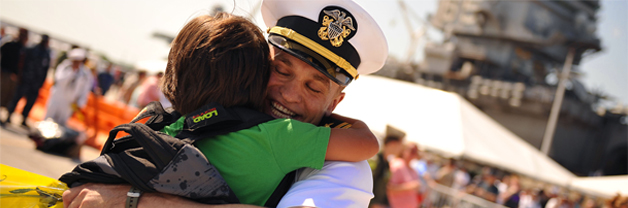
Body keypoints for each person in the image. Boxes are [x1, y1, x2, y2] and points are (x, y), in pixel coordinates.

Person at [62, 0, 388, 207]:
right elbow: (366, 142)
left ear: (336, 102)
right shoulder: (278, 136)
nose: (289, 95)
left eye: (314, 88)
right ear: (257, 66)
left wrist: (137, 201)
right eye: (280, 70)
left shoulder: (346, 173)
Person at [3, 34, 51, 127]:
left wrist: (41, 83)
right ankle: (9, 115)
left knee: (30, 102)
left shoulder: (46, 54)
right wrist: (20, 75)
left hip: (35, 83)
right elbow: (21, 63)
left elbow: (46, 70)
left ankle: (24, 118)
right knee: (16, 98)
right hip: (25, 79)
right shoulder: (31, 49)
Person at [45, 48, 93, 126]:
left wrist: (80, 103)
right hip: (57, 97)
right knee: (49, 117)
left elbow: (85, 90)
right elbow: (59, 80)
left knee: (61, 122)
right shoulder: (65, 67)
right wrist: (71, 73)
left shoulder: (85, 74)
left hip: (69, 101)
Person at [0, 28, 28, 110]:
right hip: (5, 73)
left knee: (8, 97)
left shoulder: (23, 49)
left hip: (14, 76)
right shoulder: (9, 44)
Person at [387, 143, 421, 208]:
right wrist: (410, 186)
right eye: (412, 150)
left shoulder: (413, 170)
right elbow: (389, 188)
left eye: (415, 151)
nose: (414, 153)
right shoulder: (398, 165)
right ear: (404, 150)